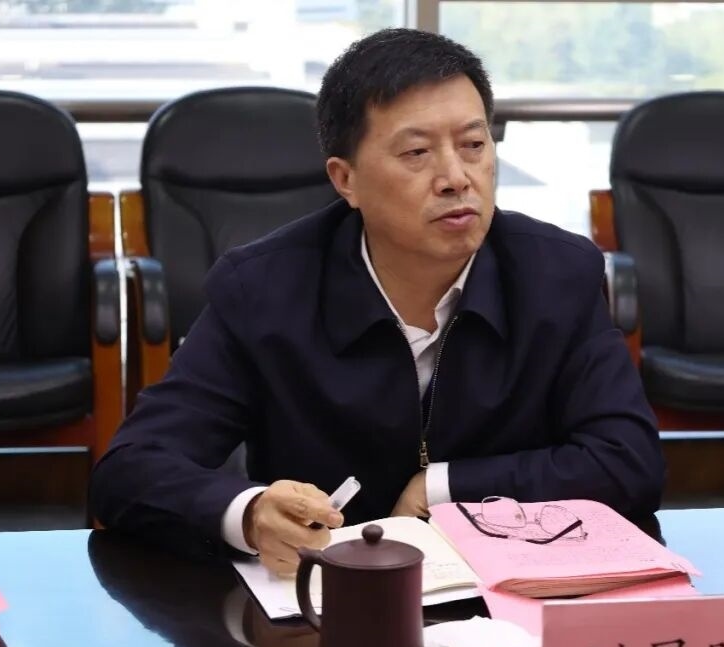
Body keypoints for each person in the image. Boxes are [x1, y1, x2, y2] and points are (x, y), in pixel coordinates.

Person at [89, 28, 665, 573]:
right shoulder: (264, 290)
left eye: (473, 145)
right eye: (416, 153)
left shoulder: (556, 274)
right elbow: (129, 470)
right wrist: (249, 512)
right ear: (346, 180)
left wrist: (441, 487)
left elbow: (628, 461)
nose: (456, 177)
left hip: (503, 591)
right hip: (321, 604)